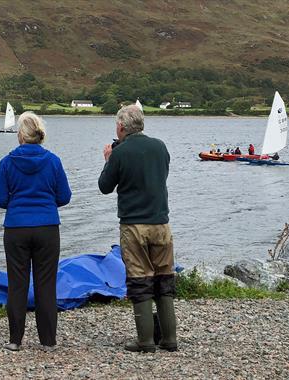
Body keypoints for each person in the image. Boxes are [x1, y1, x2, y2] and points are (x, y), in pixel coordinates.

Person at [98, 105, 177, 353]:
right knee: (164, 279)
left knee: (140, 280)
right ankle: (169, 339)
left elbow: (105, 186)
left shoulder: (120, 153)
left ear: (121, 127)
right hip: (162, 224)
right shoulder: (160, 147)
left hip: (134, 225)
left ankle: (145, 341)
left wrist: (109, 160)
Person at [0, 112, 71, 352]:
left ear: (20, 136)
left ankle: (15, 340)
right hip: (47, 228)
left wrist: (16, 205)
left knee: (17, 284)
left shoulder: (7, 162)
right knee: (46, 284)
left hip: (16, 228)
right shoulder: (53, 161)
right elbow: (64, 196)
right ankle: (48, 341)